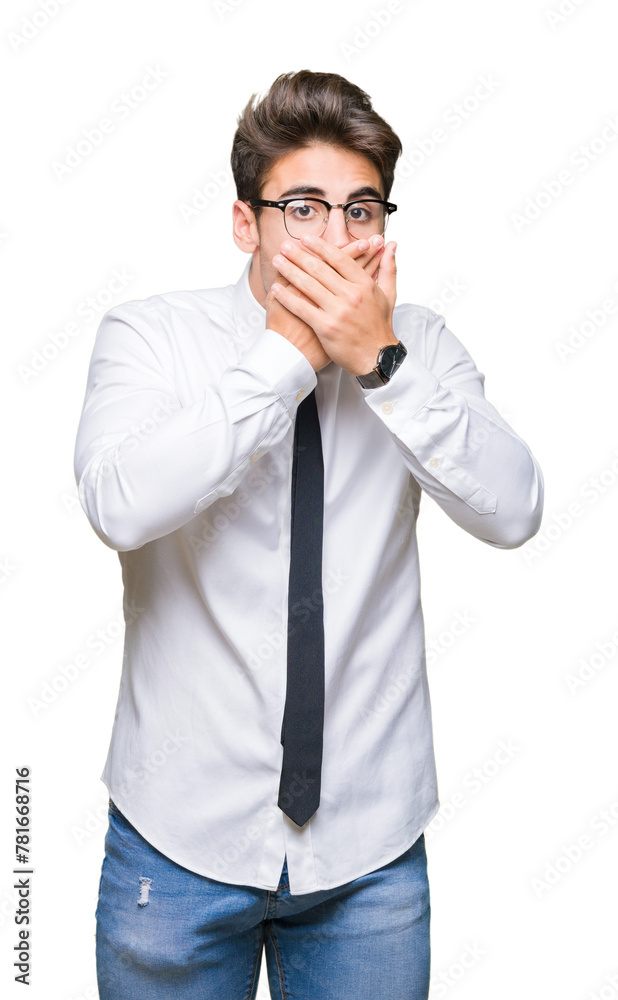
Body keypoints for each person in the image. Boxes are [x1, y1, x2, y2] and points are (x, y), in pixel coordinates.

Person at [73, 69, 544, 1000]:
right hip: (175, 846)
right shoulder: (149, 338)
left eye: (361, 210)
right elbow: (117, 503)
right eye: (304, 207)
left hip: (367, 855)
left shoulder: (423, 347)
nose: (336, 239)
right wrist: (285, 358)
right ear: (247, 222)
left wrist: (382, 363)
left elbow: (515, 510)